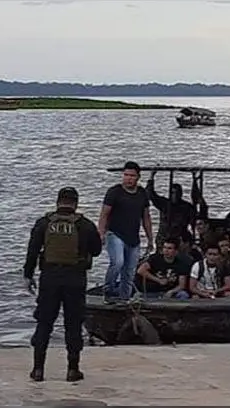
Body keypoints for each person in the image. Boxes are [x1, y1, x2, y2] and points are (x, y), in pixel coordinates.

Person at [23, 187, 103, 382]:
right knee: (73, 324)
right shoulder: (85, 225)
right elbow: (97, 250)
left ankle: (38, 370)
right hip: (75, 279)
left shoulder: (44, 223)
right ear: (75, 203)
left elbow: (32, 250)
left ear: (58, 202)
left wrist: (28, 275)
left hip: (49, 278)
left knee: (44, 323)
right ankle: (72, 370)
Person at [98, 161, 153, 300]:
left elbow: (146, 217)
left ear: (138, 177)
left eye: (132, 176)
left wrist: (150, 238)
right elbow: (104, 214)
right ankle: (108, 290)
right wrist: (101, 233)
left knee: (129, 272)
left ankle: (124, 299)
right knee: (117, 262)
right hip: (115, 234)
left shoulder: (141, 193)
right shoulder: (114, 192)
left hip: (133, 238)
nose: (128, 178)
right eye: (126, 175)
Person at [145, 179, 197, 248]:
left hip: (179, 237)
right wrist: (151, 177)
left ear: (181, 194)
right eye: (173, 193)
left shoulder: (187, 207)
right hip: (163, 237)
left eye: (177, 193)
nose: (175, 195)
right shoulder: (164, 203)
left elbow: (193, 222)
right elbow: (150, 194)